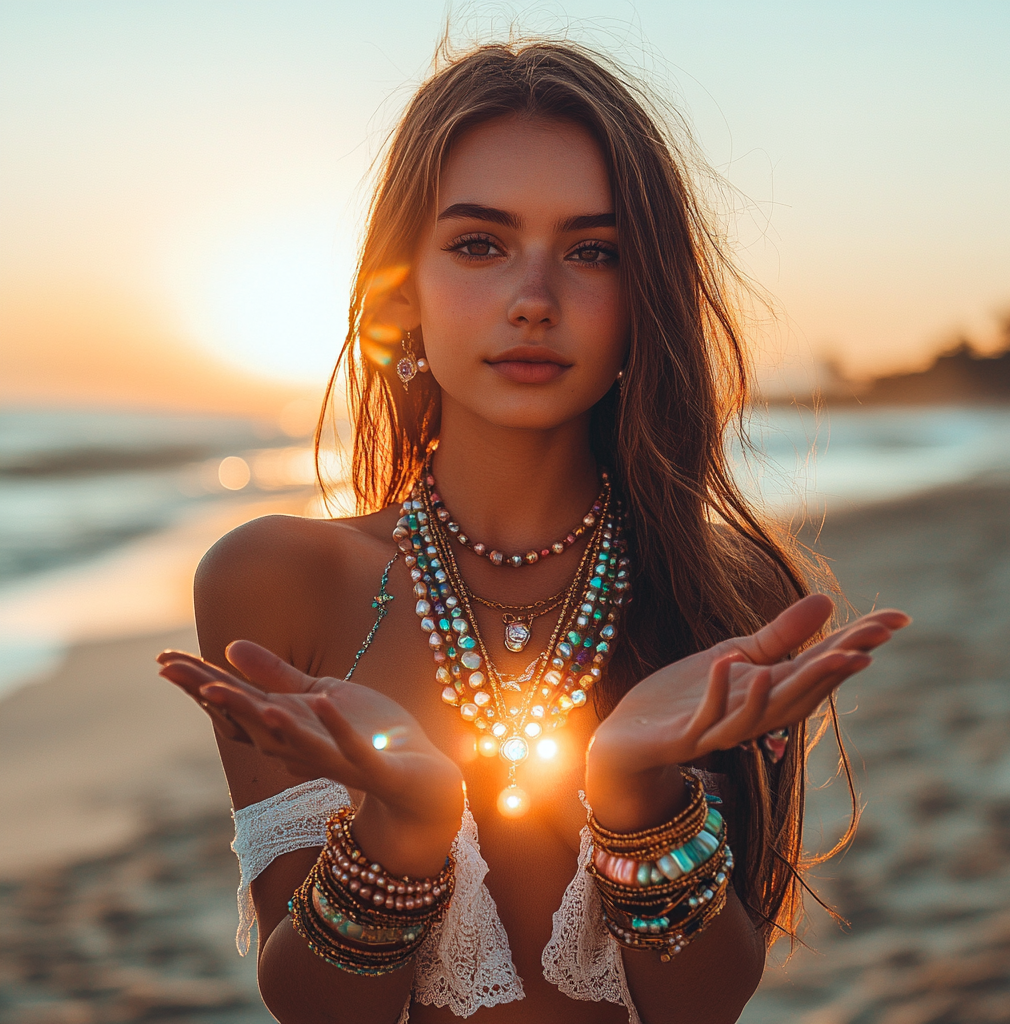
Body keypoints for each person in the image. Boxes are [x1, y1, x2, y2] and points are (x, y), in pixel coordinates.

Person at [157, 40, 909, 1024]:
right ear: (400, 296)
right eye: (479, 243)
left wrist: (634, 796)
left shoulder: (729, 601)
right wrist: (403, 827)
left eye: (592, 251)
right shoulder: (273, 582)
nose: (533, 299)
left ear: (646, 300)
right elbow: (315, 1008)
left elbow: (705, 1005)